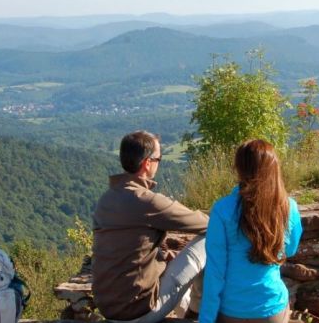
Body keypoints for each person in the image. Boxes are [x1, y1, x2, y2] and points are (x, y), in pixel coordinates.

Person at [92, 130, 209, 322]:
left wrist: (162, 259)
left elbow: (132, 248)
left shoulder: (105, 200)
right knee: (209, 239)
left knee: (171, 261)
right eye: (159, 159)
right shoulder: (148, 202)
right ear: (147, 163)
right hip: (138, 312)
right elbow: (205, 224)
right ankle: (196, 314)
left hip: (108, 308)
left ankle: (190, 309)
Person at [199, 139, 303, 323]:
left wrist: (206, 319)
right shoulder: (288, 207)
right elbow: (290, 249)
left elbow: (215, 271)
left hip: (231, 310)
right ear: (273, 169)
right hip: (271, 308)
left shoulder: (222, 209)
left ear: (239, 169)